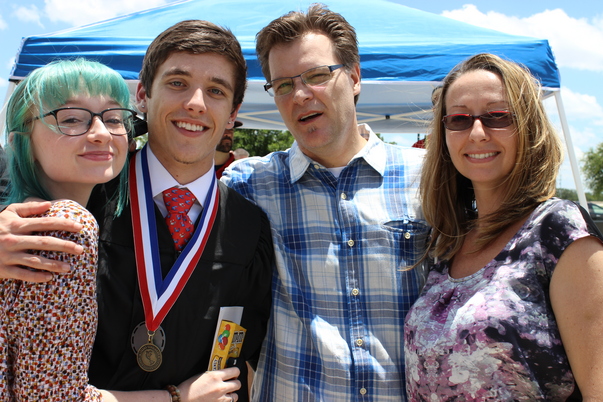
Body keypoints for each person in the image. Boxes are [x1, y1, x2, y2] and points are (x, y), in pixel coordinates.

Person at [0, 20, 273, 402]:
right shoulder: (74, 193)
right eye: (177, 82)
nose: (196, 102)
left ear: (233, 113)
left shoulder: (249, 228)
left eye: (216, 90)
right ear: (143, 95)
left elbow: (248, 354)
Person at [221, 4, 428, 401]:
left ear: (354, 77)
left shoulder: (428, 178)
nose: (300, 95)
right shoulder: (249, 185)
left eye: (317, 75)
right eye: (283, 85)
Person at [404, 53, 603, 400]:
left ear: (529, 126)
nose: (477, 133)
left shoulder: (558, 232)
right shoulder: (448, 242)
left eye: (497, 116)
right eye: (459, 119)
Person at [0, 58, 131, 400]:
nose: (101, 133)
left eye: (114, 118)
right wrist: (178, 397)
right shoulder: (63, 226)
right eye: (71, 118)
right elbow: (53, 397)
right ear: (21, 141)